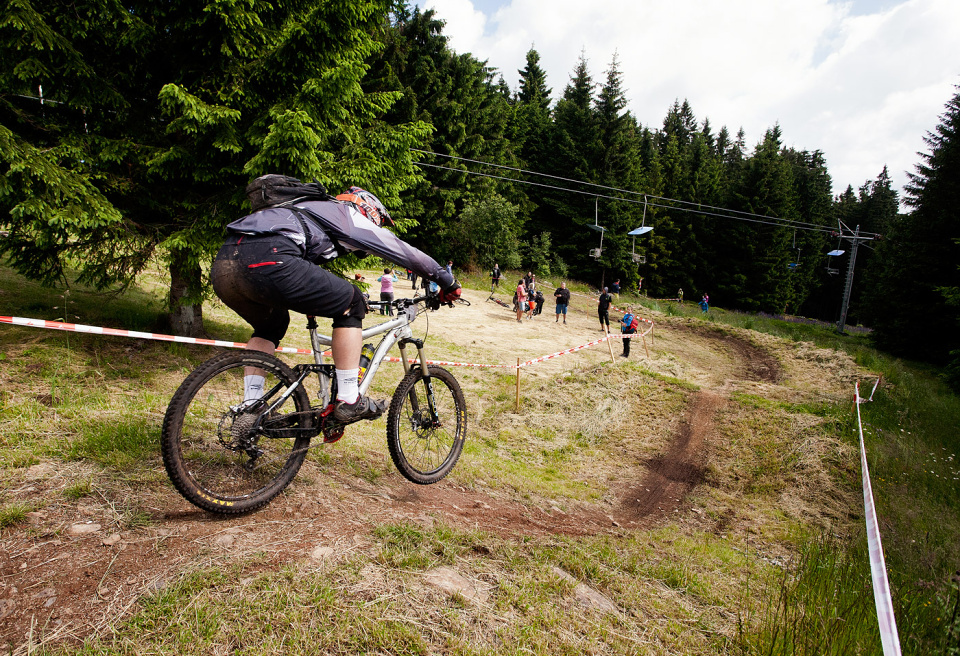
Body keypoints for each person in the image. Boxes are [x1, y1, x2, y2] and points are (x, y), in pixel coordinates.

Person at [211, 181, 460, 424]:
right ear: (369, 210)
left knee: (270, 327)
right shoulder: (346, 214)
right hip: (272, 260)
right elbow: (400, 250)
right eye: (378, 222)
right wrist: (446, 281)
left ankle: (251, 406)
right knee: (352, 301)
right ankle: (349, 399)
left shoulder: (308, 210)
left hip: (224, 266)